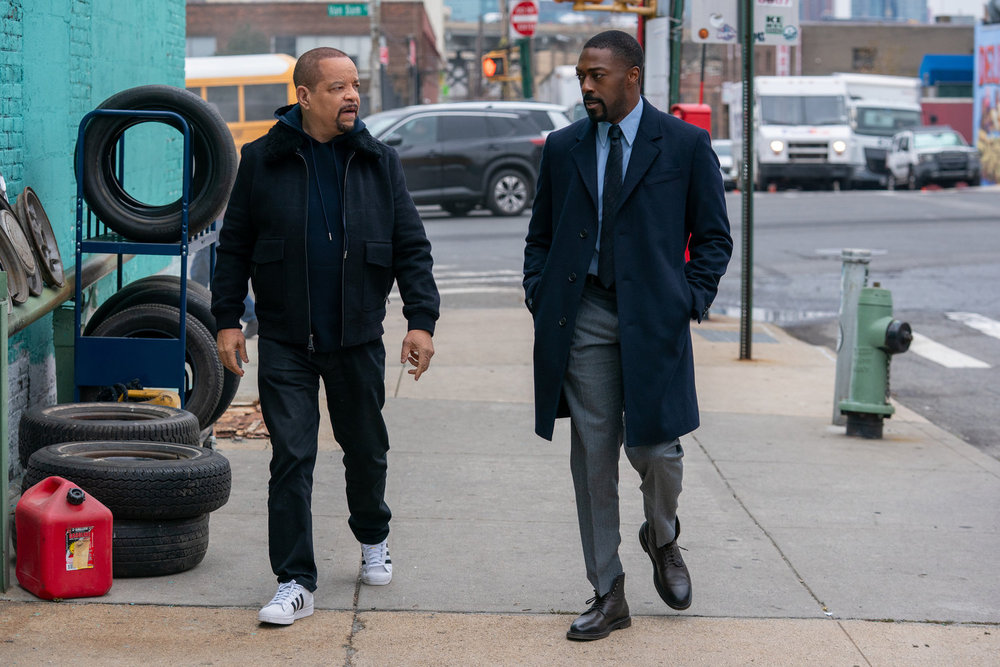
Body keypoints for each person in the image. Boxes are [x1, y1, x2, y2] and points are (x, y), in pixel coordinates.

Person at [211, 47, 440, 626]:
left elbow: (411, 246)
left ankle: (373, 535)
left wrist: (421, 320)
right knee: (291, 456)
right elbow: (233, 247)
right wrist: (227, 319)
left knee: (365, 449)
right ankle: (294, 581)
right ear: (305, 96)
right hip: (286, 338)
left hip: (357, 336)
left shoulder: (378, 160)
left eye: (355, 85)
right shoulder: (261, 160)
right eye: (338, 87)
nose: (352, 96)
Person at [522, 31, 733, 641]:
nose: (586, 86)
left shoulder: (685, 144)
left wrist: (688, 299)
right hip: (583, 312)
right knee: (593, 454)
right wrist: (539, 291)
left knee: (658, 451)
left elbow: (713, 237)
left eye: (597, 75)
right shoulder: (563, 146)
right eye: (581, 76)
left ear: (632, 76)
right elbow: (541, 234)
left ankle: (662, 536)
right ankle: (608, 590)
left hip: (654, 318)